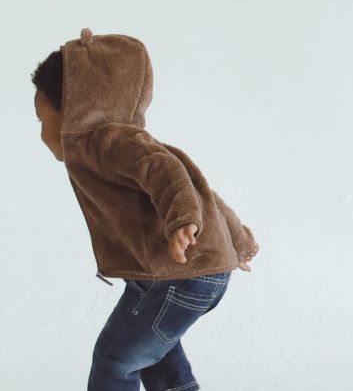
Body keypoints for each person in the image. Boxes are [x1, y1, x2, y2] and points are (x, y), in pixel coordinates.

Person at [31, 28, 260, 391]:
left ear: (74, 110)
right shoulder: (129, 142)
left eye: (43, 121)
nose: (42, 135)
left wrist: (182, 220)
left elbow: (169, 174)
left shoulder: (107, 142)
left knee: (115, 359)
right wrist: (238, 241)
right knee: (156, 354)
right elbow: (200, 187)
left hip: (175, 277)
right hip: (195, 275)